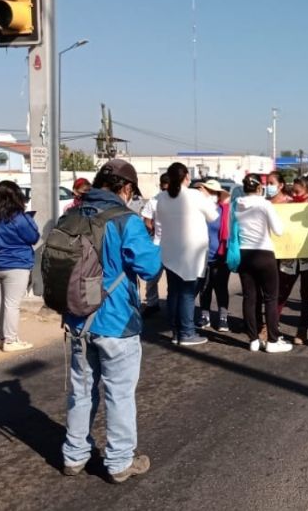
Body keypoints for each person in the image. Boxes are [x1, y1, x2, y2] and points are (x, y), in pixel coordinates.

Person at [61, 159, 162, 483]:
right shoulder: (125, 221)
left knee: (81, 389)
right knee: (118, 393)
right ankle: (119, 463)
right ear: (126, 188)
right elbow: (149, 269)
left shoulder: (71, 215)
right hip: (116, 322)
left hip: (77, 321)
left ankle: (74, 456)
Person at [155, 163, 219, 346]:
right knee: (187, 294)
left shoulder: (161, 197)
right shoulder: (195, 195)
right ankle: (187, 333)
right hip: (192, 253)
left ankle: (176, 332)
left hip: (169, 251)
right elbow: (213, 217)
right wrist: (207, 198)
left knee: (174, 292)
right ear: (187, 178)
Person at [0, 180, 40, 352]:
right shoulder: (19, 218)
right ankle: (11, 341)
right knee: (12, 304)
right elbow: (33, 237)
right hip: (15, 265)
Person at [235, 174, 291, 353]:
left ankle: (253, 339)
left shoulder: (236, 204)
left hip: (243, 254)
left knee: (249, 298)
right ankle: (273, 341)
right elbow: (278, 230)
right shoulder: (265, 204)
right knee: (270, 298)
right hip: (264, 253)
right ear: (259, 188)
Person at [277, 175, 308, 344]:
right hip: (289, 257)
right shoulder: (287, 208)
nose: (294, 194)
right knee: (282, 292)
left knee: (306, 293)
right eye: (292, 190)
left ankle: (302, 330)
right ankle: (273, 325)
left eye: (297, 191)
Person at [195, 179, 232, 332]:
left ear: (217, 195)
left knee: (221, 287)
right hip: (202, 255)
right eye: (208, 192)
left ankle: (223, 317)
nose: (210, 195)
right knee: (205, 287)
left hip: (221, 255)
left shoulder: (225, 211)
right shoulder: (198, 210)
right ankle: (205, 315)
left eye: (213, 192)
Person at [140, 173, 171, 318]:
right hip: (163, 246)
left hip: (165, 246)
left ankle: (162, 303)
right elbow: (147, 219)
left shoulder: (156, 201)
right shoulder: (155, 201)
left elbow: (146, 220)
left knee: (162, 278)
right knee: (154, 278)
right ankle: (156, 304)